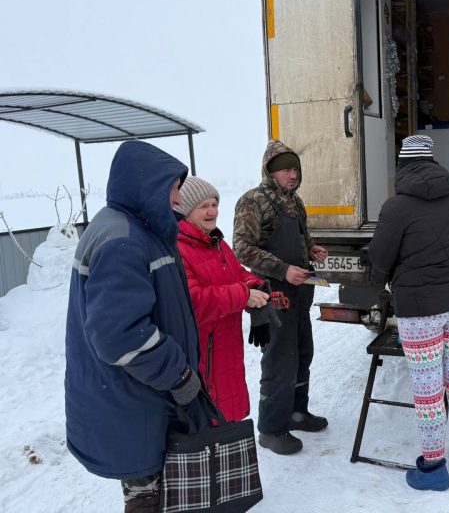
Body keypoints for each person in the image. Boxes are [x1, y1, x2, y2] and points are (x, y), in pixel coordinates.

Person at [65, 141, 210, 513]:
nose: (178, 197)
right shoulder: (123, 241)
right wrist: (177, 374)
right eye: (174, 187)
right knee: (147, 499)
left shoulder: (136, 230)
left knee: (155, 494)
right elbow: (120, 334)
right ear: (149, 184)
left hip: (138, 397)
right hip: (133, 400)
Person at [368, 135, 449, 491]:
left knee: (429, 389)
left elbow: (381, 259)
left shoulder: (396, 206)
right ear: (432, 161)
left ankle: (433, 468)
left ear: (403, 165)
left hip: (420, 310)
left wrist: (383, 276)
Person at [233, 139, 329, 455]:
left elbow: (302, 236)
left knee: (303, 352)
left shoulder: (294, 202)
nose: (293, 175)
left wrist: (311, 248)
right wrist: (283, 269)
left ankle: (297, 412)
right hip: (274, 292)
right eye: (287, 169)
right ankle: (271, 428)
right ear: (271, 171)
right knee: (279, 359)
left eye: (296, 169)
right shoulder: (253, 201)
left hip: (300, 292)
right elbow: (243, 249)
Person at [175, 175, 283, 422]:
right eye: (204, 206)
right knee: (209, 420)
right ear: (186, 210)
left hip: (226, 346)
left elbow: (236, 273)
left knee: (228, 413)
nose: (212, 210)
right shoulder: (179, 248)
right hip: (203, 350)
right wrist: (243, 295)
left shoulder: (216, 242)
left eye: (214, 204)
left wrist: (255, 285)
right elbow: (194, 301)